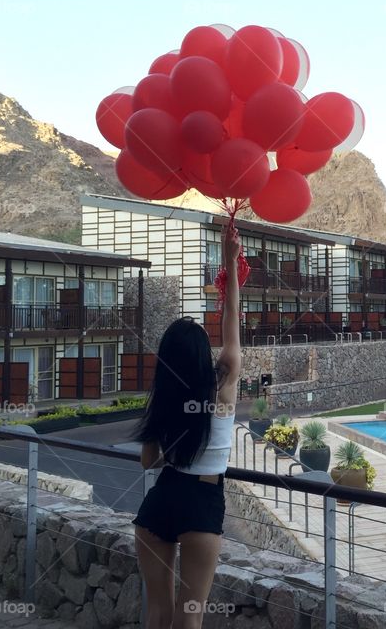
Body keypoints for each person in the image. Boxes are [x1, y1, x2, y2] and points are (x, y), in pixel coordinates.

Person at [131, 226, 241, 629]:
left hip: (160, 502)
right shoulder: (222, 391)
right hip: (202, 503)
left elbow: (148, 463)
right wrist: (229, 263)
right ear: (201, 356)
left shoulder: (164, 401)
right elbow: (232, 329)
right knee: (189, 617)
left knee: (157, 612)